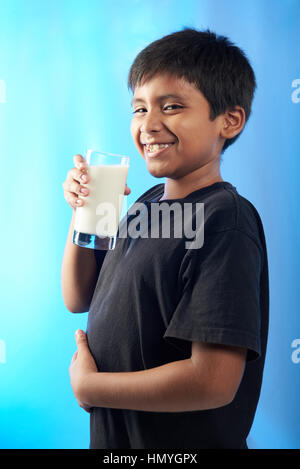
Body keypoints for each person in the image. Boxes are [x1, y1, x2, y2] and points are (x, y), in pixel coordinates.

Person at [61, 28, 269, 449]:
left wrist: (91, 388)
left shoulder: (225, 219)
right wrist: (82, 214)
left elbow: (212, 382)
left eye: (171, 107)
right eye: (139, 109)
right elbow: (79, 296)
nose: (149, 125)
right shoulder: (145, 202)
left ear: (229, 120)